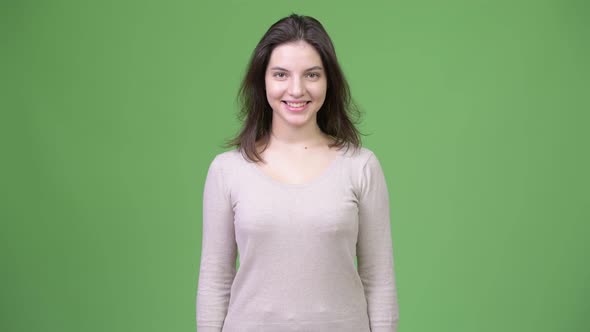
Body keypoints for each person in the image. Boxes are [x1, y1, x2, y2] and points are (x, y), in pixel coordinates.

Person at [196, 13, 399, 332]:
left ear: (328, 81)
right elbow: (215, 283)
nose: (296, 89)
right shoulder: (227, 171)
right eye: (280, 74)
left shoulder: (360, 166)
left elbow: (379, 281)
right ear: (262, 80)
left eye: (312, 75)